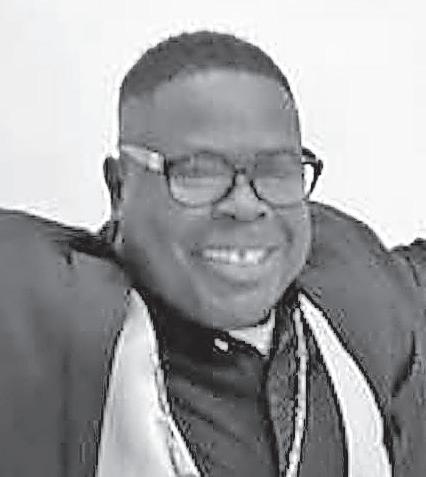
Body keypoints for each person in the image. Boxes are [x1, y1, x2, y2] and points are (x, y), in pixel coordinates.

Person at [0, 31, 425, 477]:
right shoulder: (42, 324)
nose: (245, 205)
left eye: (277, 169)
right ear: (119, 188)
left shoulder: (357, 288)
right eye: (198, 171)